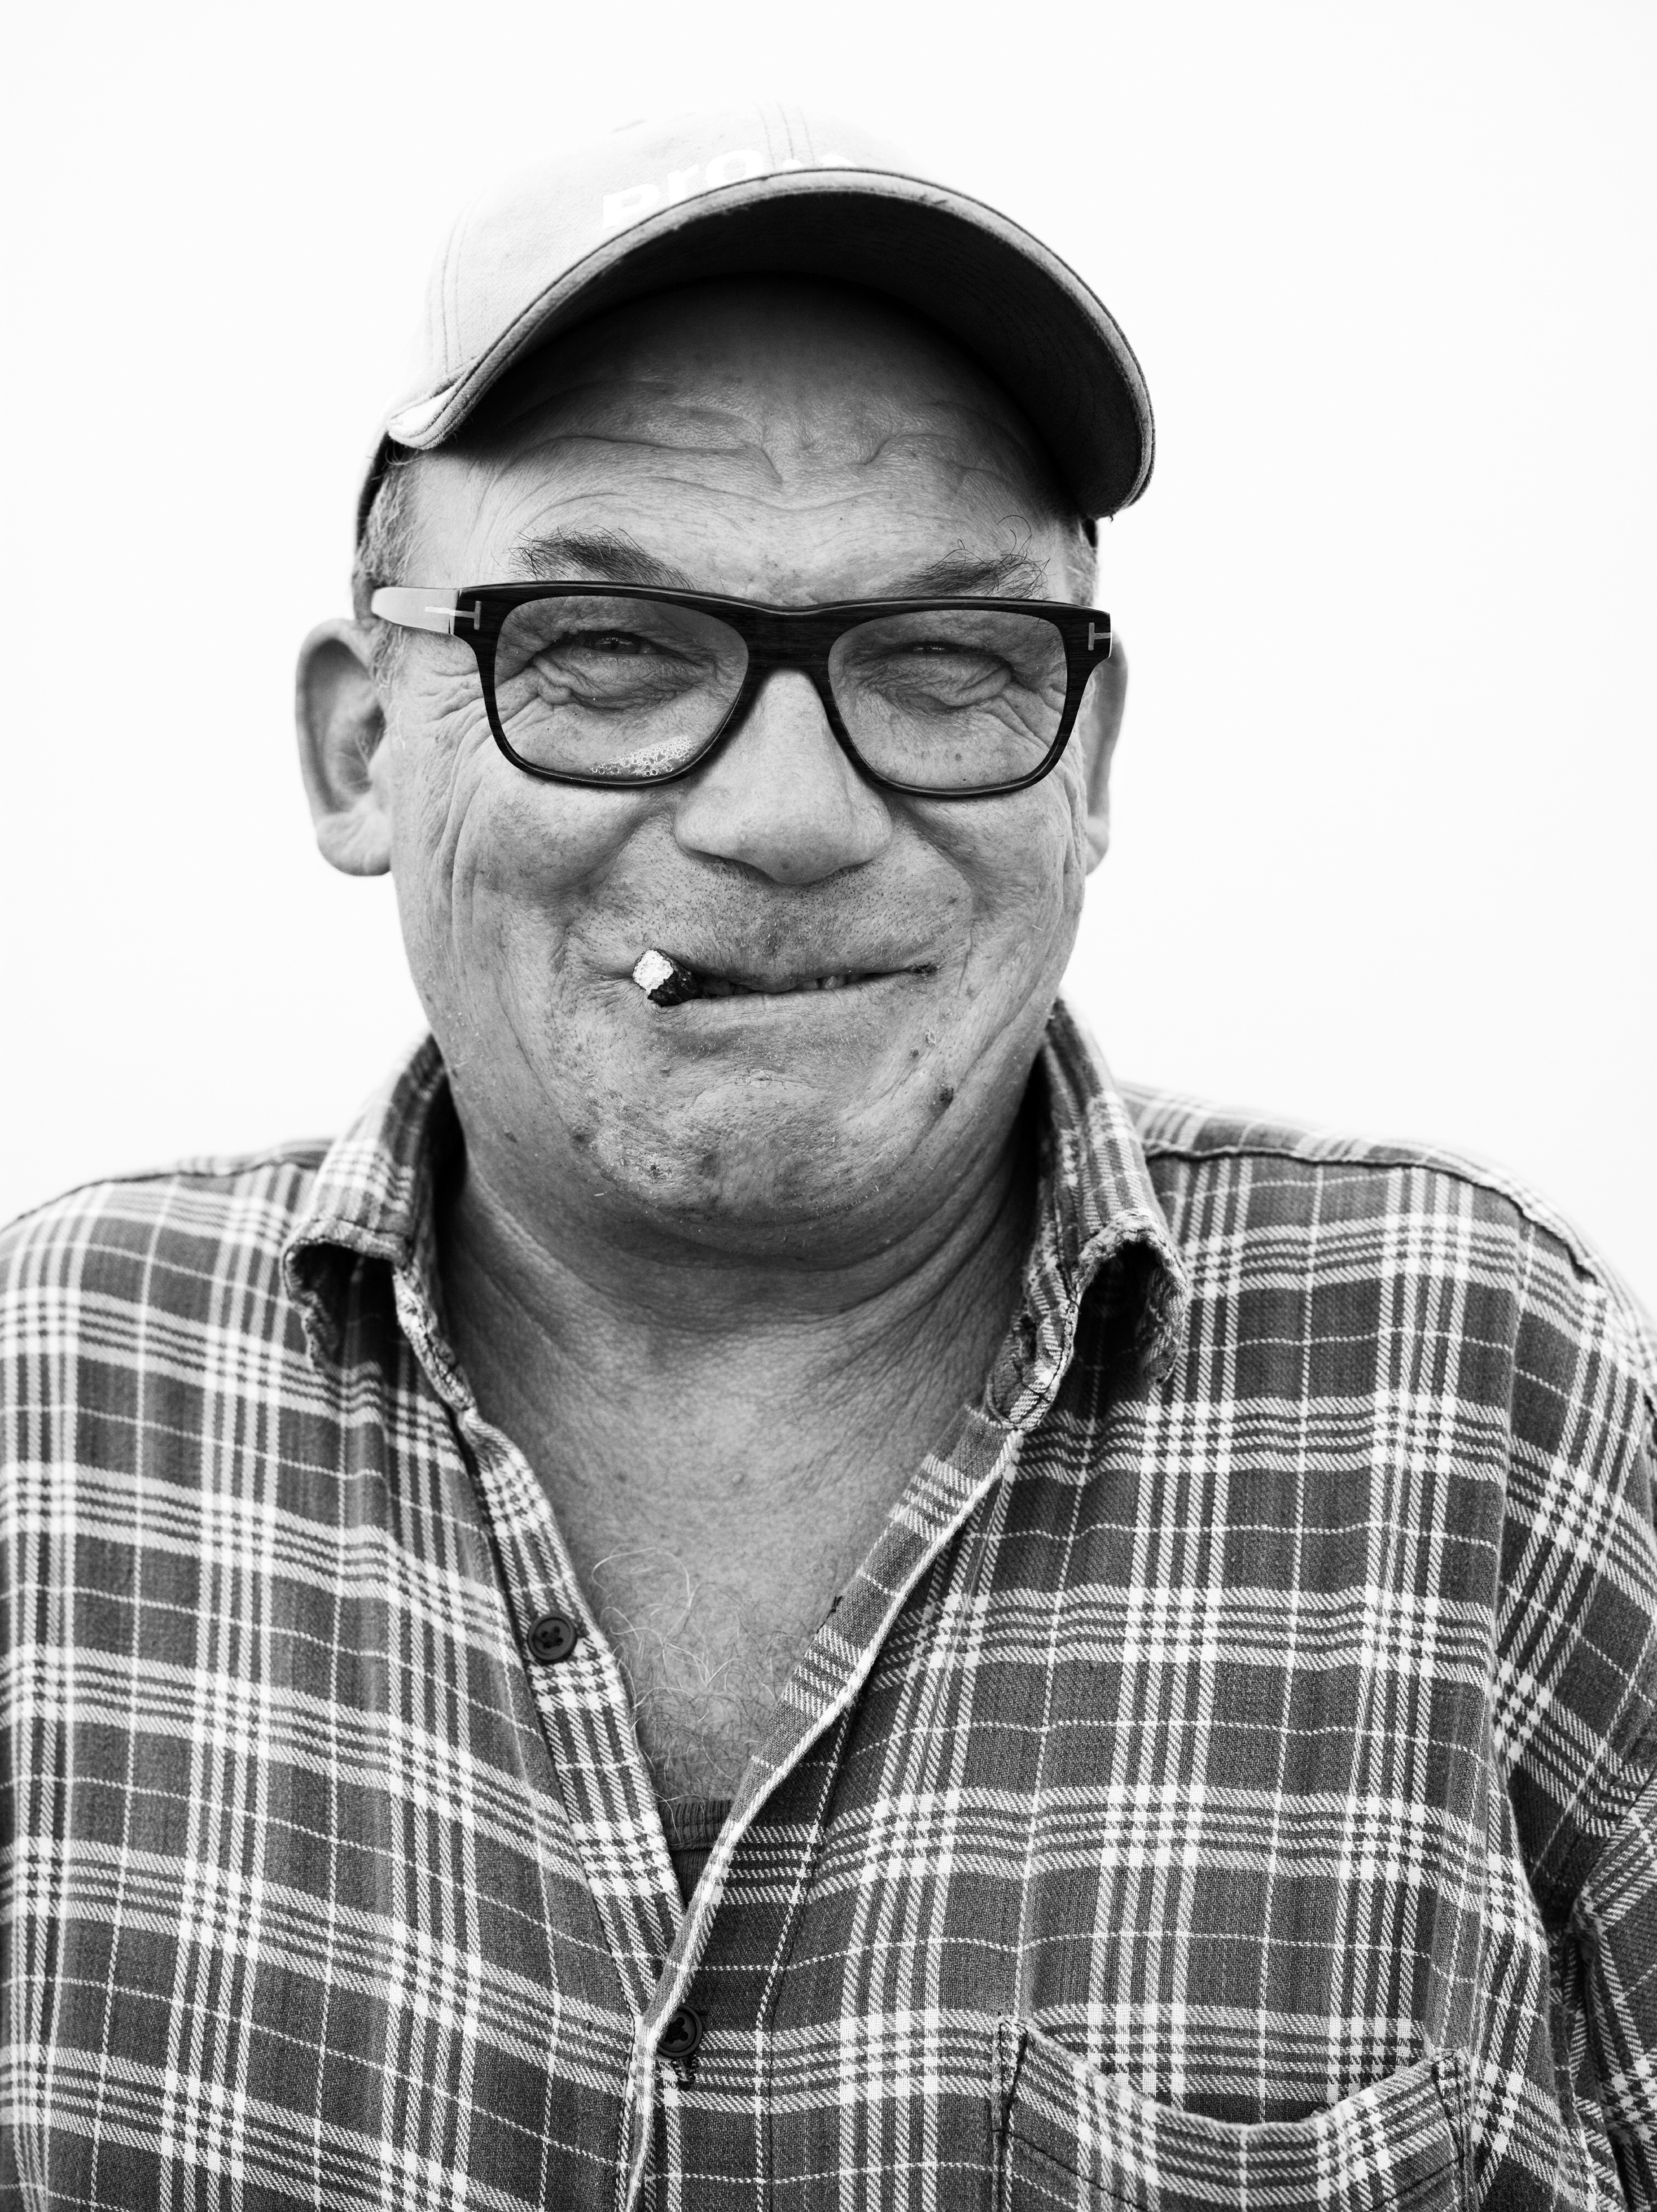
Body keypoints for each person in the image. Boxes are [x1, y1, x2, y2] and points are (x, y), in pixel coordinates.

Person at [1, 101, 1653, 2212]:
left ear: (1087, 763)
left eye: (946, 661)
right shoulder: (47, 1416)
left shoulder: (1482, 1394)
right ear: (360, 749)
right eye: (606, 650)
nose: (787, 816)